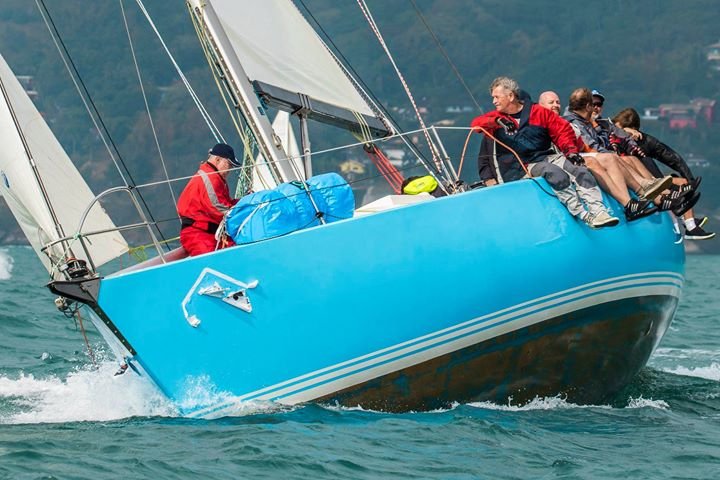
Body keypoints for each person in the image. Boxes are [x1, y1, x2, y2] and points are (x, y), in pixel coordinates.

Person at [471, 77, 618, 228]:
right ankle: (583, 214)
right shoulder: (497, 117)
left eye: (497, 97)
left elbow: (562, 130)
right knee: (554, 172)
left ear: (510, 96)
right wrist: (497, 122)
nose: (494, 101)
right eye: (493, 98)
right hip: (522, 166)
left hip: (546, 156)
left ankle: (599, 211)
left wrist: (571, 152)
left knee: (578, 167)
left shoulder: (539, 112)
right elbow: (476, 125)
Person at [612, 107, 714, 240]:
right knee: (635, 160)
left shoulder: (643, 140)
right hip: (632, 179)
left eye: (623, 130)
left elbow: (672, 158)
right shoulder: (609, 136)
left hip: (649, 177)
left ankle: (690, 225)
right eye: (619, 129)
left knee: (683, 182)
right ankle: (686, 220)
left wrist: (691, 180)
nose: (620, 132)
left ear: (635, 130)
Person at [177, 143, 240, 256]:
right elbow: (219, 208)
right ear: (217, 160)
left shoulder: (214, 177)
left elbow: (225, 204)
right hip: (198, 234)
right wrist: (243, 209)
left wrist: (243, 201)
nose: (229, 169)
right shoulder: (211, 178)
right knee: (214, 261)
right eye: (229, 165)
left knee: (234, 253)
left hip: (209, 233)